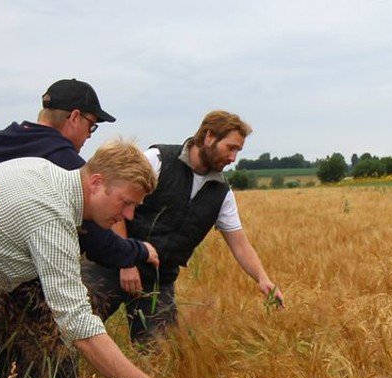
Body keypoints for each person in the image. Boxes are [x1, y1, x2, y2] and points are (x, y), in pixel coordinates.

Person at [0, 141, 190, 378]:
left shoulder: (44, 171)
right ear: (96, 182)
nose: (129, 216)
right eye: (126, 202)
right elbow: (79, 325)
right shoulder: (52, 217)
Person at [0, 79, 158, 378]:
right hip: (26, 298)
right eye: (91, 128)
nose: (87, 139)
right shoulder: (63, 170)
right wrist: (135, 252)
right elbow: (96, 244)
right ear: (74, 118)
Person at [81, 110, 285, 344]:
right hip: (109, 263)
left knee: (160, 355)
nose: (233, 158)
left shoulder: (221, 192)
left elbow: (239, 242)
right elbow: (116, 204)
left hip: (158, 279)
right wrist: (125, 260)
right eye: (231, 148)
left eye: (237, 150)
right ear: (209, 137)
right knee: (69, 331)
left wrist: (262, 278)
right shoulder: (157, 159)